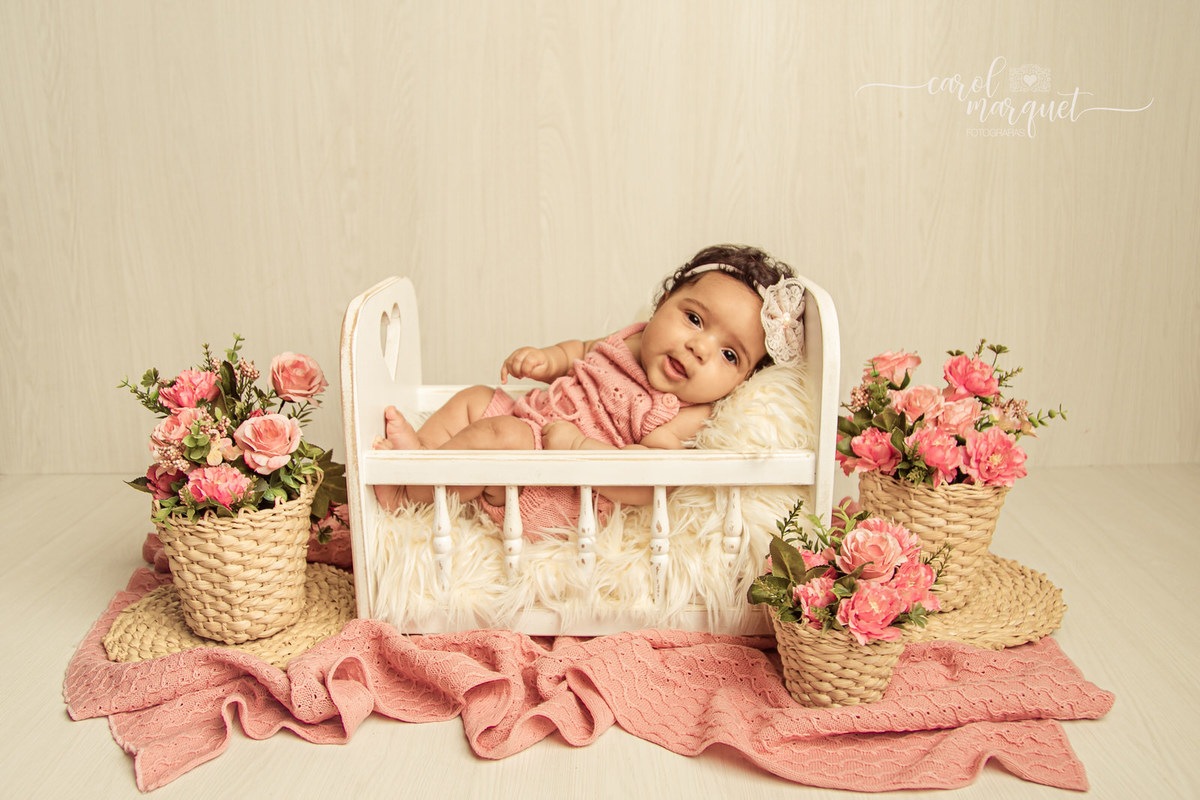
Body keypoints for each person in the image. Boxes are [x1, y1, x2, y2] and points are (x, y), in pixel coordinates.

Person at [373, 244, 807, 537]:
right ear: (662, 305)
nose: (698, 348)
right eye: (694, 319)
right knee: (474, 398)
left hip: (554, 485)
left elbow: (650, 478)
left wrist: (579, 446)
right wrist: (548, 360)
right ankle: (422, 454)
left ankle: (407, 492)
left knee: (501, 436)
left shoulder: (684, 412)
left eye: (729, 355)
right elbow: (582, 350)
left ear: (742, 382)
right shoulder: (633, 339)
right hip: (530, 420)